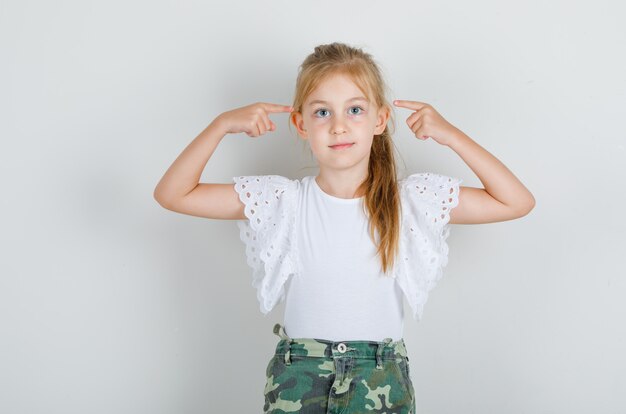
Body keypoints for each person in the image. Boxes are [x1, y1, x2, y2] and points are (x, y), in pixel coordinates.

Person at [154, 42, 535, 414]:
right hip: (299, 376)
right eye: (322, 113)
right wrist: (220, 126)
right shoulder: (281, 201)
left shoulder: (411, 202)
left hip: (380, 378)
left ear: (380, 121)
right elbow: (174, 194)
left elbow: (516, 201)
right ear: (301, 123)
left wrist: (450, 134)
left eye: (355, 109)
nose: (338, 126)